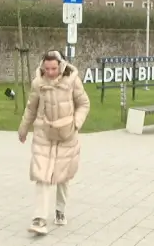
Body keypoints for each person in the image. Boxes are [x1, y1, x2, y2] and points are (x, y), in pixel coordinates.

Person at [17, 50, 90, 236]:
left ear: (61, 66)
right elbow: (31, 107)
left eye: (53, 68)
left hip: (67, 134)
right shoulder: (38, 83)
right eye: (46, 68)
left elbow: (84, 103)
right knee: (42, 174)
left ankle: (60, 210)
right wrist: (23, 129)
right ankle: (39, 219)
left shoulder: (72, 80)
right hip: (44, 133)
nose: (50, 72)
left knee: (62, 175)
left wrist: (76, 123)